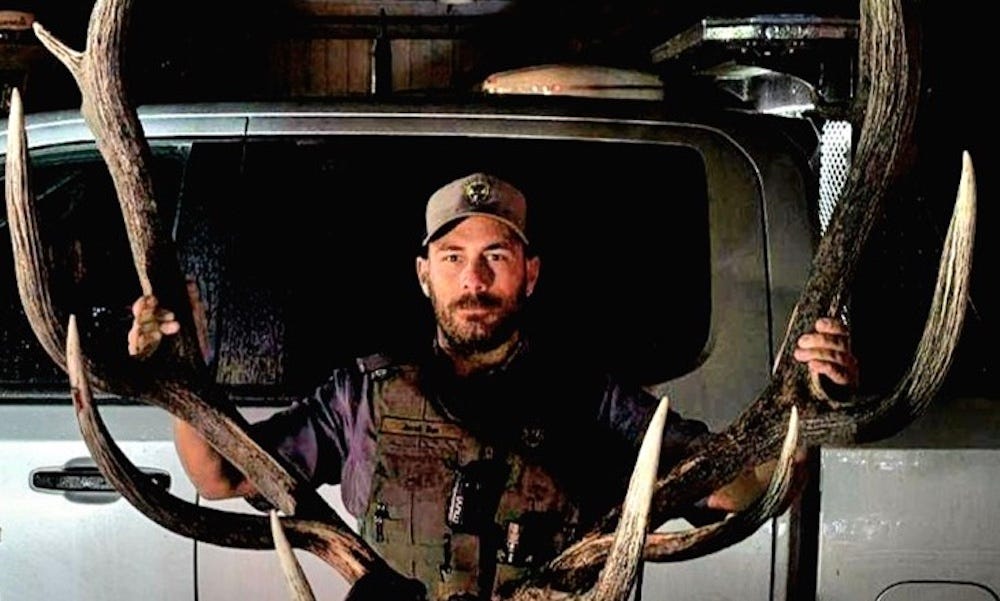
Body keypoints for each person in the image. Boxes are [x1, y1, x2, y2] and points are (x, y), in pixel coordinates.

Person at [128, 172, 858, 601]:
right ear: (424, 274)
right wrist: (178, 376)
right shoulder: (362, 394)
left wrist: (811, 407)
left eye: (495, 256)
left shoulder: (592, 396)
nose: (473, 280)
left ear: (530, 273)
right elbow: (220, 473)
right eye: (452, 257)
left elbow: (745, 489)